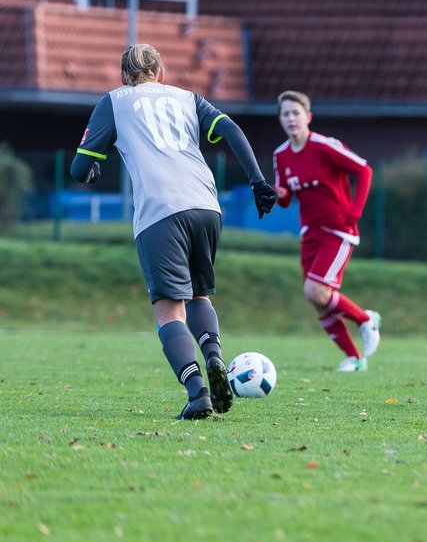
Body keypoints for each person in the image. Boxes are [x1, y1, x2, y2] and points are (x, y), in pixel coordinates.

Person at [70, 44, 278, 420]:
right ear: (161, 72)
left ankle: (198, 392)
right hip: (206, 206)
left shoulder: (114, 101)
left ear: (123, 76)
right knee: (199, 296)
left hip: (160, 212)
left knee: (169, 311)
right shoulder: (187, 98)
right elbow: (230, 128)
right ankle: (214, 355)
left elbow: (79, 168)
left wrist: (91, 170)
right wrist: (258, 182)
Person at [272, 90, 381, 372]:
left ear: (308, 117)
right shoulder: (280, 156)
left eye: (296, 113)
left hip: (338, 230)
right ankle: (355, 359)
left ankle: (365, 320)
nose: (291, 118)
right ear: (280, 119)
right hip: (310, 233)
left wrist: (355, 211)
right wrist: (279, 193)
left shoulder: (324, 146)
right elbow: (285, 201)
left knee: (316, 290)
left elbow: (364, 170)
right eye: (286, 114)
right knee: (317, 300)